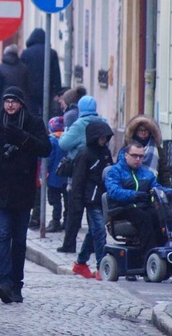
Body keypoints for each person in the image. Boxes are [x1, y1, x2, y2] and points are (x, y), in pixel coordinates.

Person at [0, 86, 51, 303]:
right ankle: (4, 282)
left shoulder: (33, 122)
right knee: (4, 234)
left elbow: (45, 149)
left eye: (14, 101)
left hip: (23, 192)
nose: (10, 105)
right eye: (7, 101)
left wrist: (22, 137)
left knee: (20, 239)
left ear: (21, 103)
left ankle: (17, 284)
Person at [105, 140, 172, 260]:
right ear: (126, 155)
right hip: (121, 208)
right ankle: (148, 256)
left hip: (141, 207)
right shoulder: (115, 171)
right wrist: (134, 195)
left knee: (158, 216)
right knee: (144, 218)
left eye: (141, 156)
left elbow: (156, 187)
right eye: (134, 156)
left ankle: (163, 251)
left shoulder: (146, 174)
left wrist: (168, 192)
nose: (138, 159)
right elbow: (113, 191)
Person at [57, 95, 107, 252]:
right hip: (97, 171)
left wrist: (66, 133)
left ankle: (69, 244)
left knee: (75, 209)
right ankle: (92, 245)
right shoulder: (102, 122)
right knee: (94, 210)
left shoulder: (80, 124)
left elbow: (63, 144)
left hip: (79, 169)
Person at [70, 120, 115, 281]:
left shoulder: (104, 152)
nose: (104, 140)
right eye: (101, 137)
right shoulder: (85, 153)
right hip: (91, 200)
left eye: (105, 137)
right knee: (99, 232)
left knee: (93, 232)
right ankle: (101, 267)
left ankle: (81, 263)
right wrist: (78, 202)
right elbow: (78, 180)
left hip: (103, 198)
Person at [20, 28, 62, 116]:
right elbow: (56, 74)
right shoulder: (52, 53)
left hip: (30, 89)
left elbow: (22, 73)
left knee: (32, 113)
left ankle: (33, 128)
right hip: (47, 89)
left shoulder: (26, 53)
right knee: (46, 113)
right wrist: (58, 92)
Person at [124, 114, 171, 187]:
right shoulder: (127, 147)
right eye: (140, 130)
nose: (143, 133)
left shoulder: (158, 150)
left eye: (146, 130)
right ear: (135, 131)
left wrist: (167, 190)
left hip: (154, 187)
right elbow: (121, 168)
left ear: (150, 132)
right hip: (131, 186)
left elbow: (164, 172)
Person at [46, 116, 68, 233]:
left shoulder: (52, 140)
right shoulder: (67, 138)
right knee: (67, 199)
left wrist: (44, 171)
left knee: (55, 201)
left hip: (54, 177)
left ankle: (55, 221)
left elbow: (49, 159)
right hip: (66, 176)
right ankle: (67, 221)